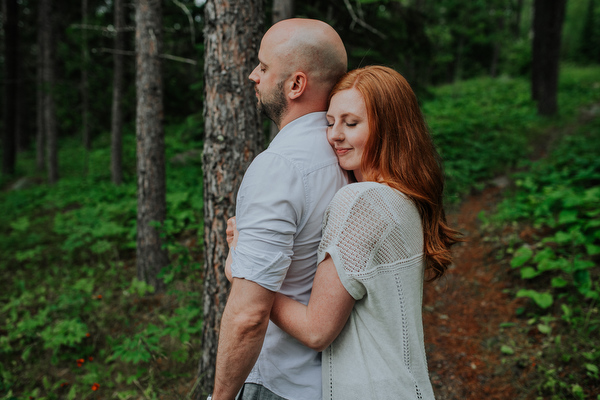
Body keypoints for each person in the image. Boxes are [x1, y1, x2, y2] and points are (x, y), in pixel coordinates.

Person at [256, 65, 461, 399]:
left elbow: (315, 330)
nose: (334, 135)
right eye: (330, 122)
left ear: (389, 129)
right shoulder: (401, 198)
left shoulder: (362, 201)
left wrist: (246, 276)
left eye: (351, 123)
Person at [210, 19, 348, 400]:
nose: (254, 75)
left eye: (264, 67)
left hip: (278, 382)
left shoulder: (280, 166)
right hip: (335, 379)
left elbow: (248, 316)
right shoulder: (351, 155)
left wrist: (220, 398)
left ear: (296, 84)